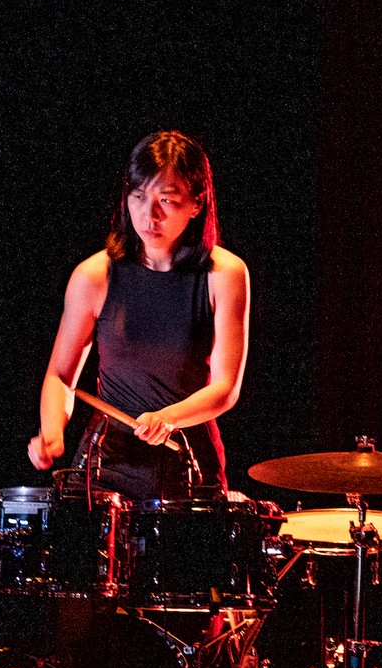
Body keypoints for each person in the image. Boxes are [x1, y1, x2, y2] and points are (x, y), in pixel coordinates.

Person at [28, 131, 249, 500]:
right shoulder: (94, 275)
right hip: (106, 465)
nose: (150, 214)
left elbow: (225, 388)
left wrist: (169, 417)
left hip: (188, 462)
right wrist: (52, 431)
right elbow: (61, 375)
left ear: (197, 204)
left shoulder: (225, 274)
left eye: (167, 199)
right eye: (139, 197)